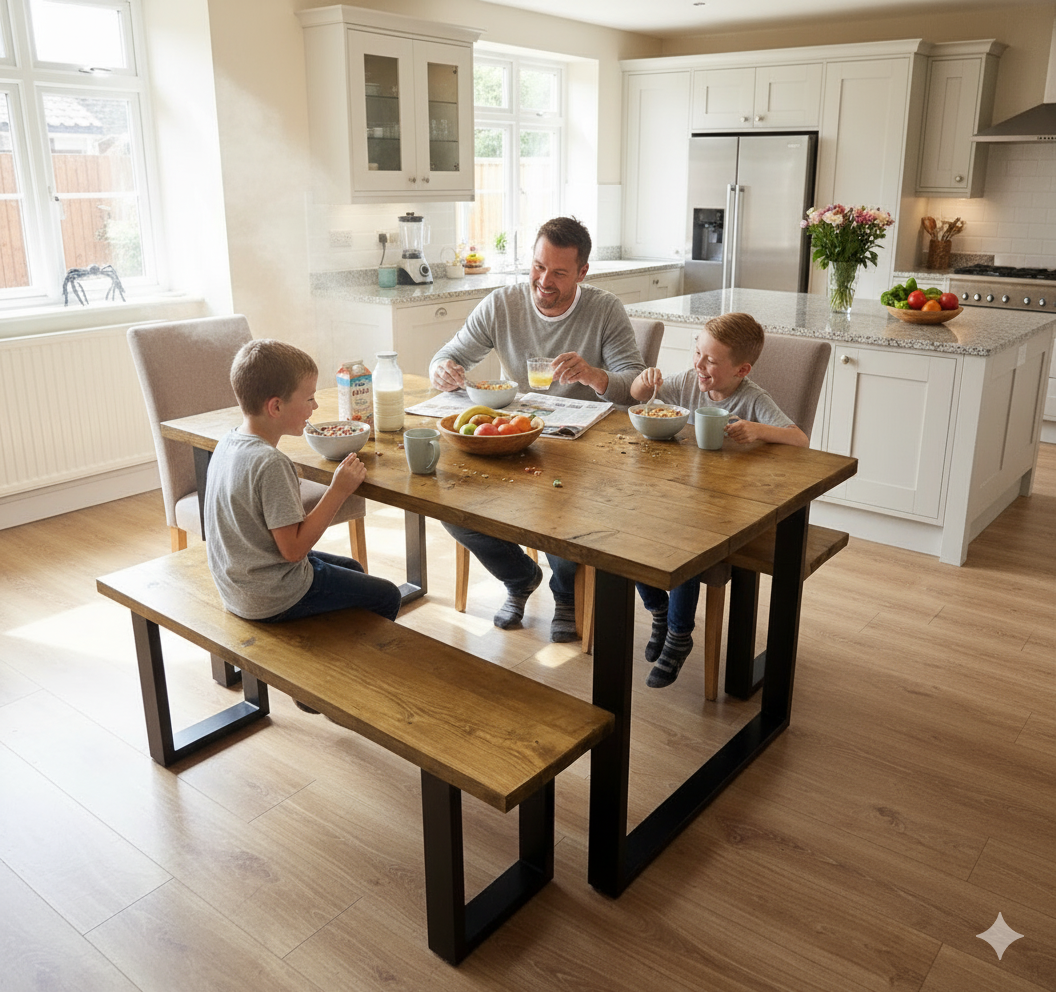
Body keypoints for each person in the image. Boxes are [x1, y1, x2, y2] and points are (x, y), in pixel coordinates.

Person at [429, 216, 645, 641]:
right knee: (449, 502)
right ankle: (520, 576)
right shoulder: (502, 304)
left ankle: (565, 594)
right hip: (513, 435)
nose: (544, 281)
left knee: (562, 510)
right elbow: (449, 353)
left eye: (559, 273)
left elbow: (633, 388)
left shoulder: (604, 309)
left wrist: (595, 376)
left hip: (582, 446)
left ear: (582, 273)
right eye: (537, 267)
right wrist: (443, 370)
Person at [204, 339, 402, 707]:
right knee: (387, 596)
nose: (315, 406)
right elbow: (294, 550)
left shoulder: (229, 442)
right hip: (271, 595)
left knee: (353, 569)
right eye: (308, 398)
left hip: (239, 584)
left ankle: (320, 665)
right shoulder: (269, 463)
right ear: (276, 406)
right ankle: (325, 689)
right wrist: (338, 489)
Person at [629, 312, 809, 688]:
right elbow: (635, 397)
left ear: (741, 369)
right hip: (683, 494)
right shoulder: (690, 383)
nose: (699, 364)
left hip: (732, 509)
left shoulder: (753, 398)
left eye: (710, 360)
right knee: (630, 531)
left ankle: (679, 634)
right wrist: (643, 385)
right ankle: (658, 608)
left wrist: (757, 430)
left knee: (688, 542)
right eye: (698, 352)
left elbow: (800, 440)